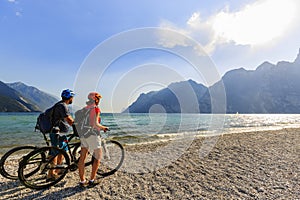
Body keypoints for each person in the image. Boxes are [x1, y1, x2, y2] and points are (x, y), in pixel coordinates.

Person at [78, 92, 109, 188]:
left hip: (83, 135)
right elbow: (95, 124)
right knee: (97, 156)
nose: (99, 101)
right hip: (92, 135)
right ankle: (92, 180)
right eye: (98, 99)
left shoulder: (84, 109)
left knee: (82, 158)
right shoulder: (96, 108)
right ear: (96, 99)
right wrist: (104, 128)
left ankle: (82, 181)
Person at [47, 89, 75, 181]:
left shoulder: (60, 104)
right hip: (57, 133)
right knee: (55, 152)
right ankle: (51, 174)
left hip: (60, 133)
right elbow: (69, 119)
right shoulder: (62, 106)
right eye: (72, 97)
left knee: (63, 150)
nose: (73, 99)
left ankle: (58, 170)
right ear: (69, 97)